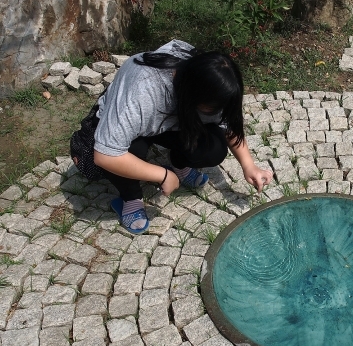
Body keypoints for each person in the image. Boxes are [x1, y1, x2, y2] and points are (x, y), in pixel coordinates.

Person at [92, 39, 273, 234]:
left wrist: (249, 165)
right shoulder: (143, 90)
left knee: (214, 148)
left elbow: (229, 126)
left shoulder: (207, 81)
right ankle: (130, 197)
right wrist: (162, 175)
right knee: (131, 150)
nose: (217, 112)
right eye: (213, 108)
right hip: (135, 125)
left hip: (171, 120)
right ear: (190, 94)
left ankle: (179, 164)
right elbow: (105, 153)